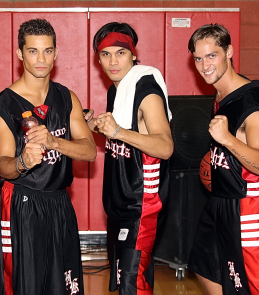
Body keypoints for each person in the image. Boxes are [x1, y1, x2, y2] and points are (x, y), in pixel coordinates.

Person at [0, 18, 96, 295]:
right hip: (22, 205)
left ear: (56, 53)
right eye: (33, 51)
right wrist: (23, 161)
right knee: (27, 287)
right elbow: (3, 166)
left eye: (47, 51)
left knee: (66, 287)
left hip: (60, 202)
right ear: (20, 54)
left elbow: (89, 150)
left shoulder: (66, 97)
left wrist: (53, 141)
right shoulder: (3, 106)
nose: (41, 59)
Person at [187, 23, 259, 295]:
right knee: (203, 263)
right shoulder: (221, 93)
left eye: (212, 55)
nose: (204, 65)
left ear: (228, 51)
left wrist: (227, 139)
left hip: (248, 203)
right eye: (198, 58)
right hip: (222, 200)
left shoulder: (251, 105)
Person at [88, 22, 173, 294]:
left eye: (120, 53)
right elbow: (125, 140)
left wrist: (118, 131)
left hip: (142, 206)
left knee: (132, 285)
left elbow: (164, 146)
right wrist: (99, 127)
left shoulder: (146, 90)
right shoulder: (118, 89)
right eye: (105, 54)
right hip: (119, 205)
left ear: (133, 54)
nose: (113, 62)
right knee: (128, 283)